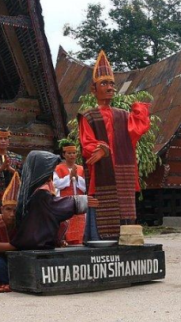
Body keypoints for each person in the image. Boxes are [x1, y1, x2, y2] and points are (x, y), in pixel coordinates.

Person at [78, 51, 150, 240]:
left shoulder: (123, 115)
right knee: (102, 211)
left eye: (111, 84)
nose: (110, 87)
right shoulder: (88, 115)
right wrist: (100, 148)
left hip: (123, 171)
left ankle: (127, 244)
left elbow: (137, 130)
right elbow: (86, 144)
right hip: (102, 171)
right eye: (104, 84)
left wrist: (139, 110)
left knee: (126, 212)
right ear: (93, 90)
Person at [11, 151, 96, 251]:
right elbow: (55, 206)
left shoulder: (31, 191)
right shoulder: (40, 194)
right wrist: (81, 202)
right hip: (36, 247)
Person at [53, 139, 86, 245]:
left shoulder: (81, 169)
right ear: (64, 154)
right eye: (69, 153)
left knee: (80, 222)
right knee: (67, 221)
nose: (72, 155)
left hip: (80, 201)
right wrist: (69, 177)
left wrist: (77, 178)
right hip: (65, 201)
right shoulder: (58, 168)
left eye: (74, 153)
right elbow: (56, 184)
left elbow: (86, 186)